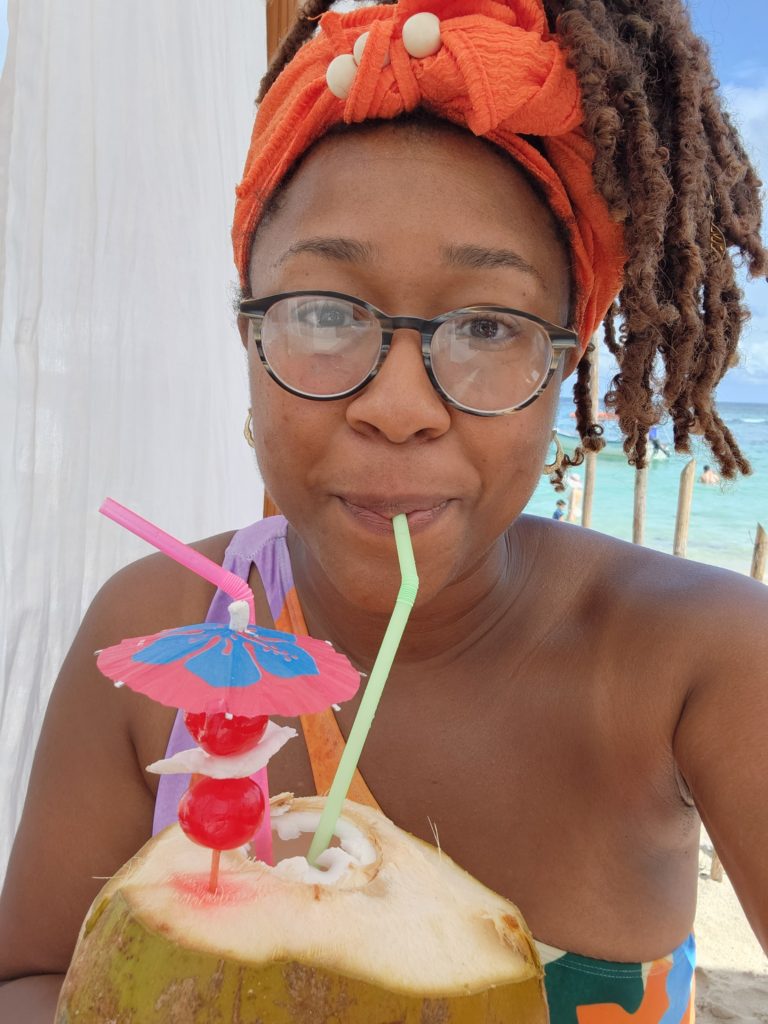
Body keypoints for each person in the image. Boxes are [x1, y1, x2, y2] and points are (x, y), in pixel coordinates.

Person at [2, 1, 767, 1020]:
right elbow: (26, 977)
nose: (399, 407)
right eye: (324, 311)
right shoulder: (160, 627)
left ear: (558, 370)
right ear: (247, 338)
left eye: (488, 325)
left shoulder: (700, 658)